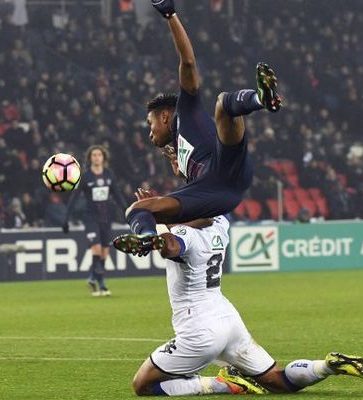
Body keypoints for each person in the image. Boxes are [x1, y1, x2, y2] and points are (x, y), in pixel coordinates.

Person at [119, 193, 363, 396]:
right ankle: (327, 366)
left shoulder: (185, 234)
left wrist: (156, 230)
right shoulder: (221, 225)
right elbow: (201, 217)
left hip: (199, 329)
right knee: (278, 381)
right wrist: (164, 220)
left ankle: (222, 384)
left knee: (143, 384)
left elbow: (172, 246)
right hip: (227, 318)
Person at [113, 0, 282, 256]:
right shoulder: (182, 155)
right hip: (220, 192)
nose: (149, 133)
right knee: (138, 210)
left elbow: (188, 62)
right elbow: (203, 208)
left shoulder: (186, 111)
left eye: (150, 124)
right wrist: (178, 181)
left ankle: (262, 99)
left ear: (166, 116)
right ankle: (147, 238)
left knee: (223, 104)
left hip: (224, 166)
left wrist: (170, 14)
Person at [63, 145, 127, 296]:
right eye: (94, 155)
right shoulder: (85, 177)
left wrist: (126, 210)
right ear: (90, 158)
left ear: (103, 157)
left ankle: (92, 278)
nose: (97, 157)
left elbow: (117, 195)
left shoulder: (109, 175)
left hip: (106, 218)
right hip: (90, 218)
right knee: (97, 250)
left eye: (99, 155)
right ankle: (102, 285)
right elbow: (74, 198)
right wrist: (66, 218)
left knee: (104, 253)